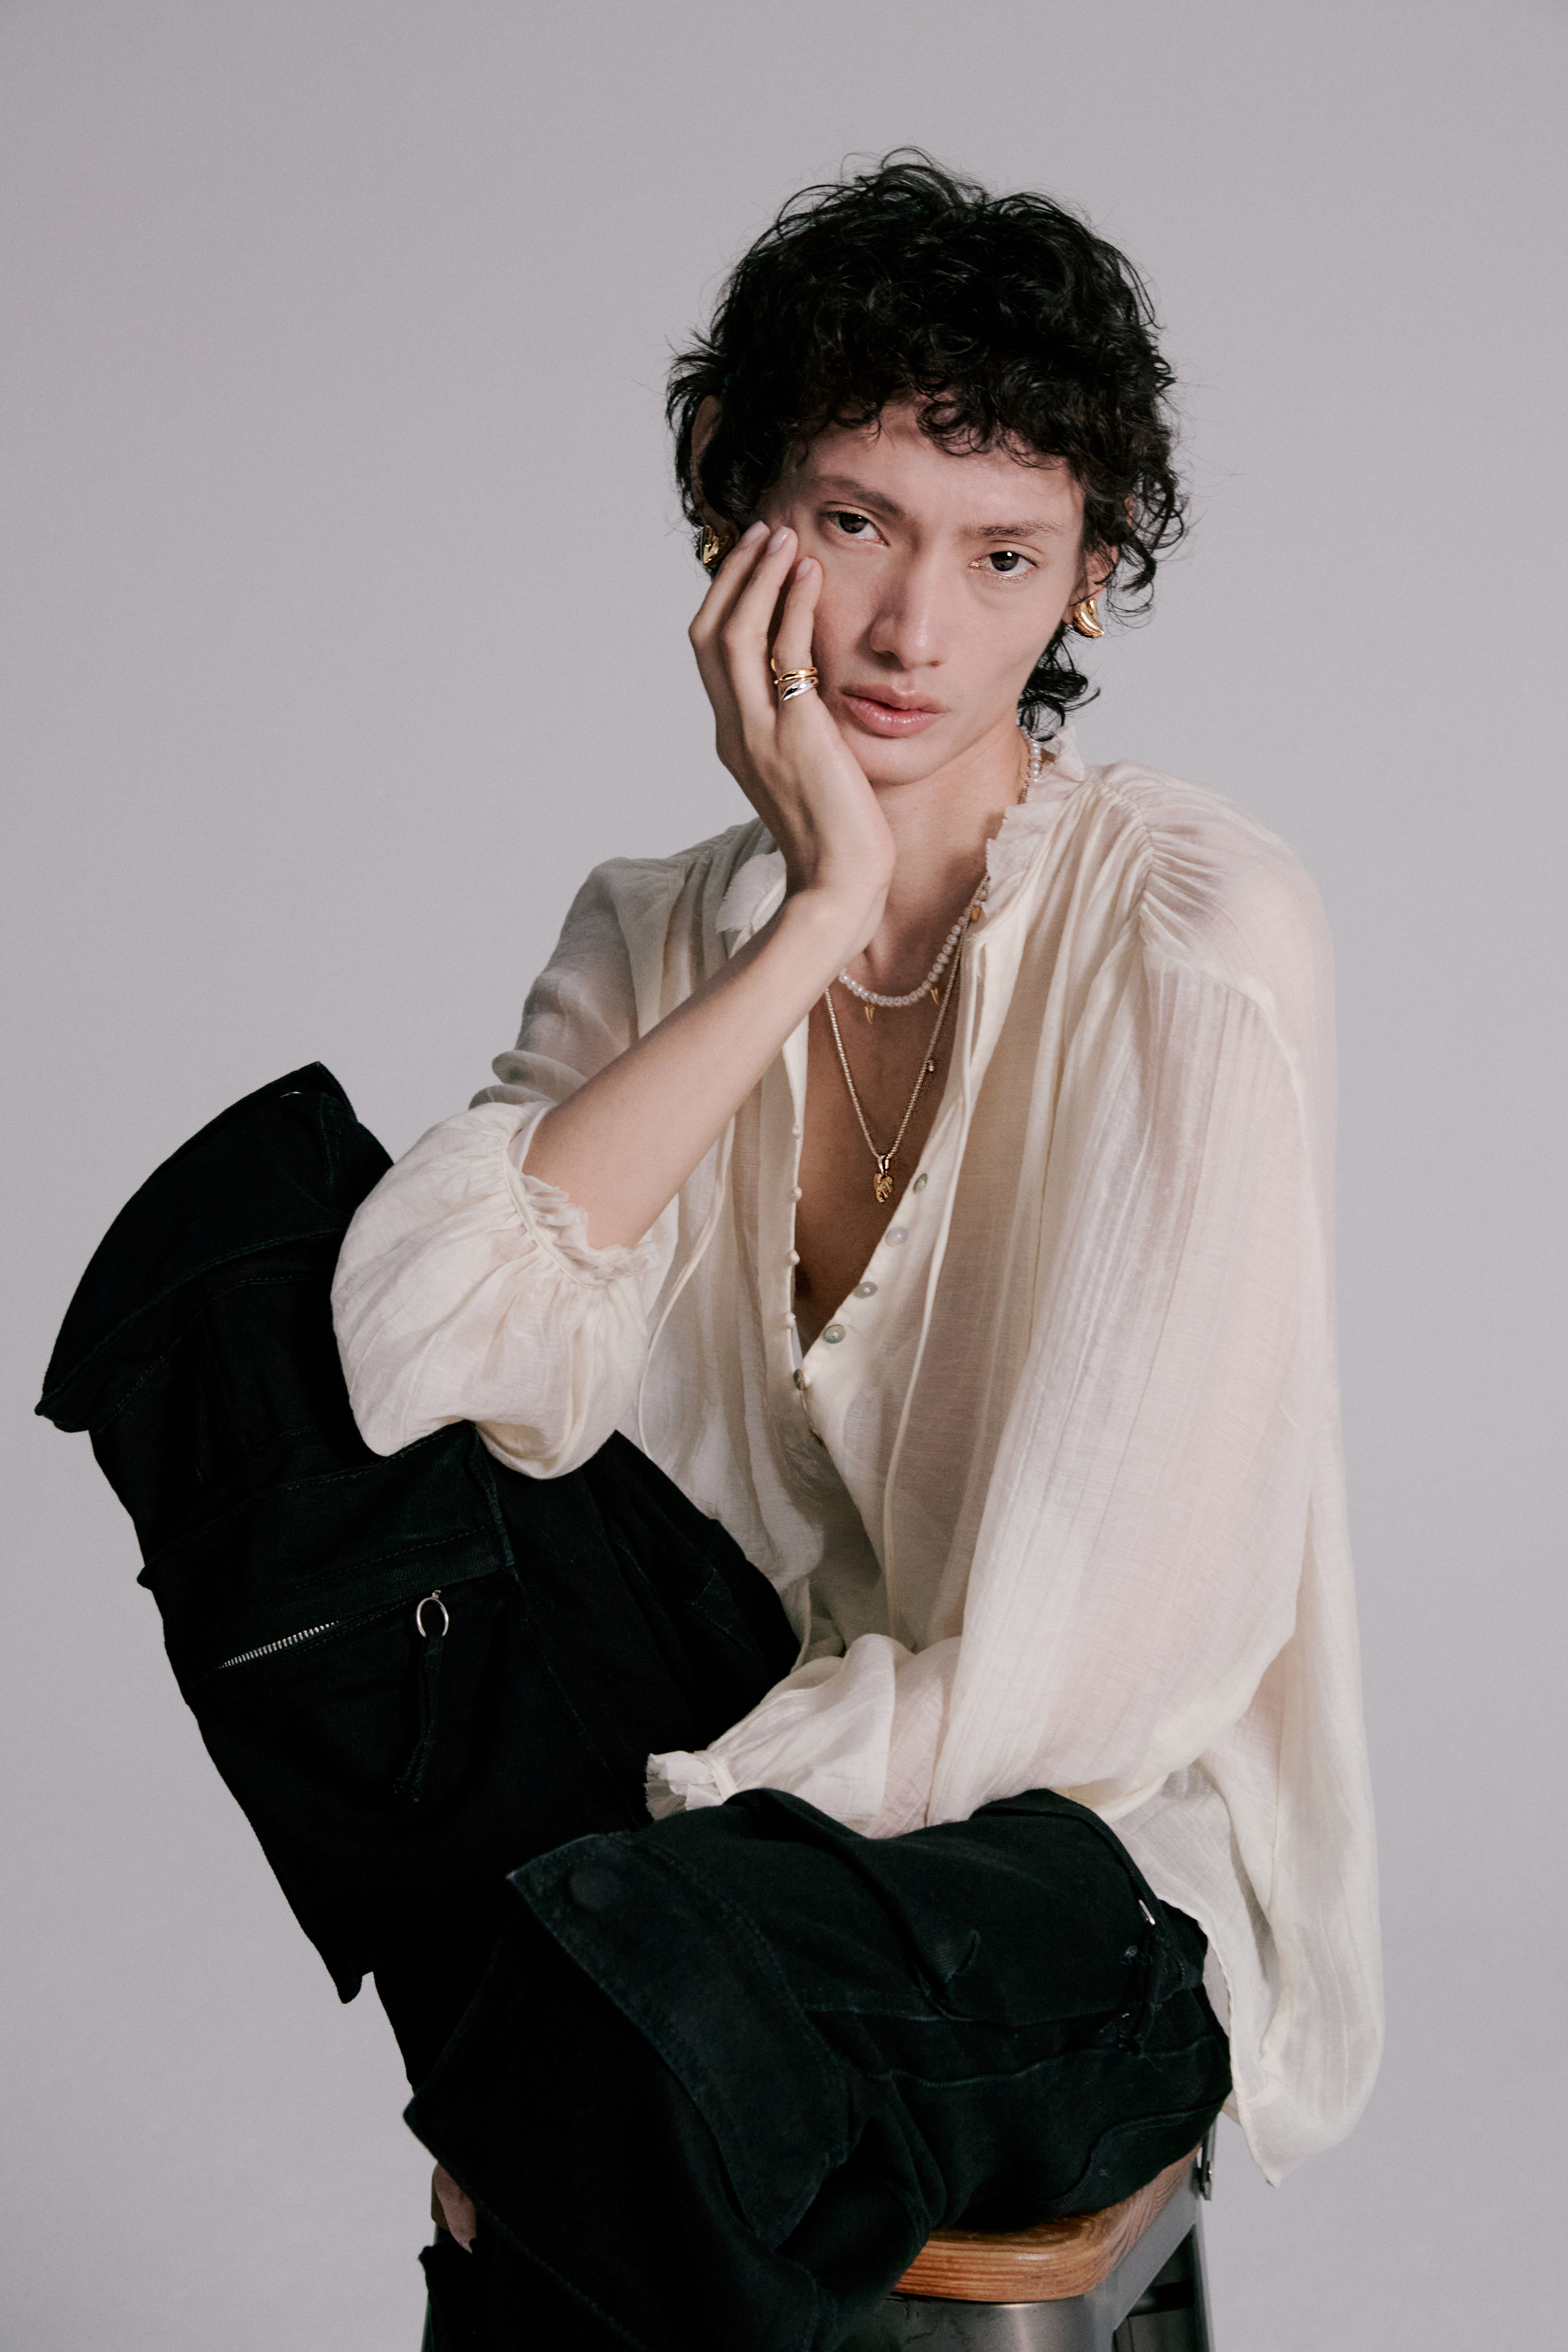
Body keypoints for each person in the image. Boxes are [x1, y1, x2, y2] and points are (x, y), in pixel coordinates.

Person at [41, 155, 1380, 2352]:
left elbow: (1105, 1656)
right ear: (729, 502)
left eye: (1003, 554)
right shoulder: (661, 930)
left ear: (1091, 573)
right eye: (854, 521)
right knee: (252, 1292)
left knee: (655, 2003)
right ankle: (589, 2011)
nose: (912, 630)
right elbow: (407, 1362)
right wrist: (814, 918)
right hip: (719, 1784)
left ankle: (582, 2022)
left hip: (1065, 1872)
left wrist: (662, 1852)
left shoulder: (1195, 940)